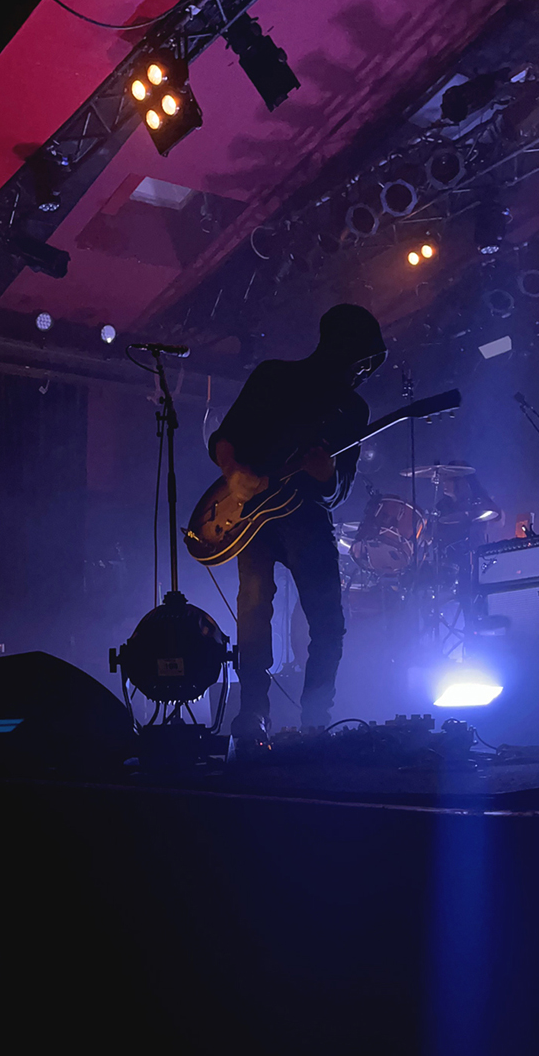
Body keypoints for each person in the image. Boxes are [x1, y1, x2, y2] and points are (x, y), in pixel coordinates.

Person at [209, 304, 387, 746]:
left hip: (306, 515)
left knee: (327, 621)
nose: (364, 370)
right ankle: (253, 716)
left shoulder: (352, 409)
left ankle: (314, 721)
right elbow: (226, 436)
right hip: (252, 515)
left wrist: (325, 473)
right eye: (362, 359)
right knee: (254, 613)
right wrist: (233, 473)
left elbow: (338, 488)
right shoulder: (274, 376)